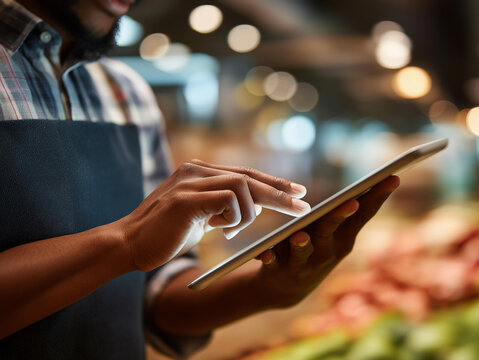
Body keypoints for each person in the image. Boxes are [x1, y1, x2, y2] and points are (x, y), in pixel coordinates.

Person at [0, 0, 400, 358]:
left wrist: (271, 288)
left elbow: (155, 296)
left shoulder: (124, 91)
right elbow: (132, 251)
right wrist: (127, 241)